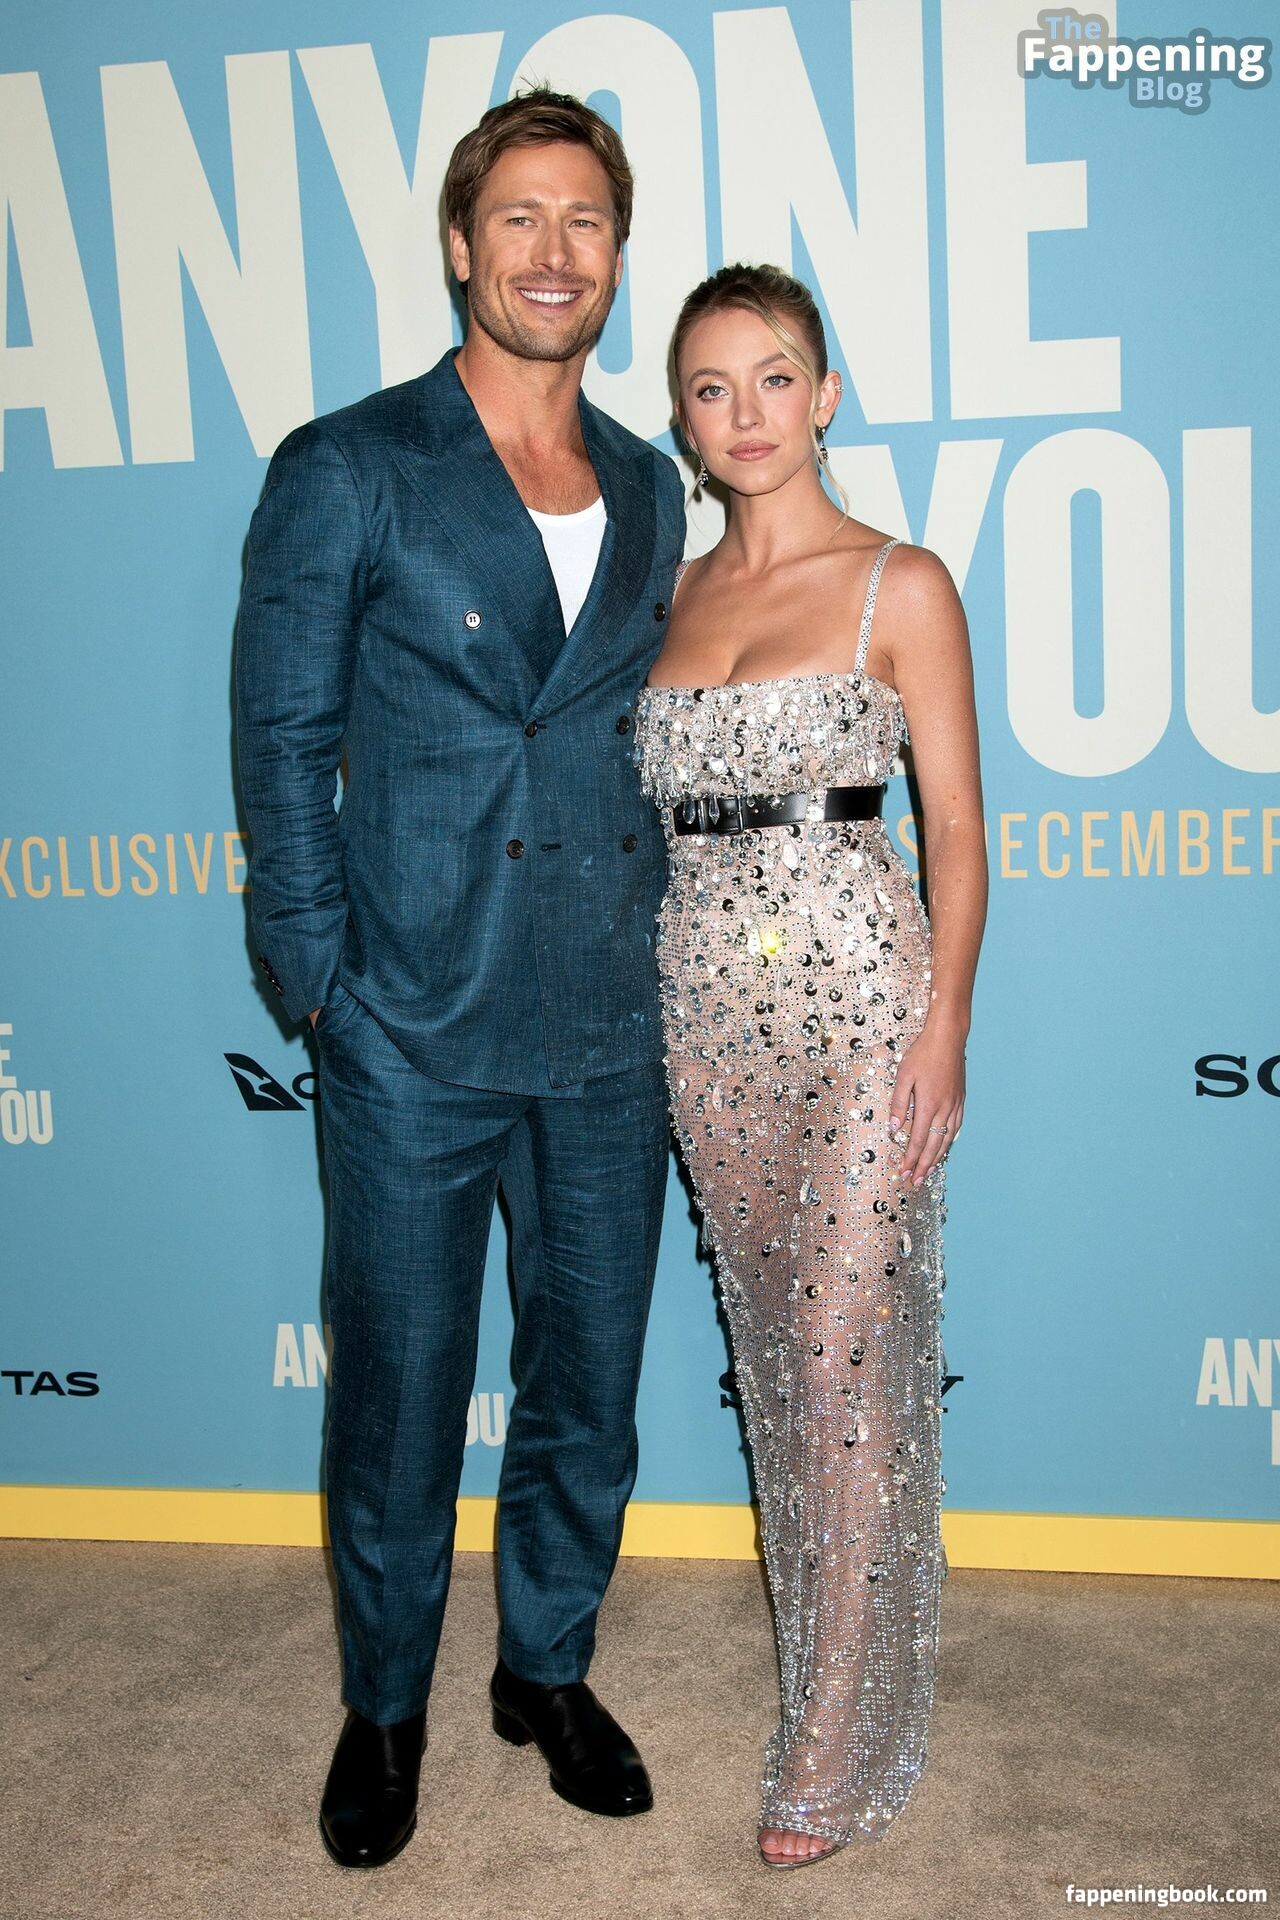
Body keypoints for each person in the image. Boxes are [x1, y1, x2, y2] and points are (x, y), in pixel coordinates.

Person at [235, 90, 685, 1868]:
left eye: (586, 221)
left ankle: (545, 1669)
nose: (553, 253)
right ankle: (388, 1705)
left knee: (589, 1383)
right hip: (410, 1022)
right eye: (520, 217)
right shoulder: (350, 464)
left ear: (616, 255)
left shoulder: (651, 483)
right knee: (402, 1391)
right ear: (458, 244)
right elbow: (282, 740)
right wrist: (320, 981)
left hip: (609, 1021)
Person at [633, 264, 987, 1869]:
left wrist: (946, 1028)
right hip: (703, 1019)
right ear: (686, 421)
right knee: (776, 1361)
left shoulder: (898, 584)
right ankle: (824, 1655)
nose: (747, 414)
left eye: (774, 377)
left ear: (826, 394)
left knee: (843, 1363)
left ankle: (830, 1731)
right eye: (712, 389)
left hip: (861, 1017)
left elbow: (957, 835)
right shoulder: (666, 597)